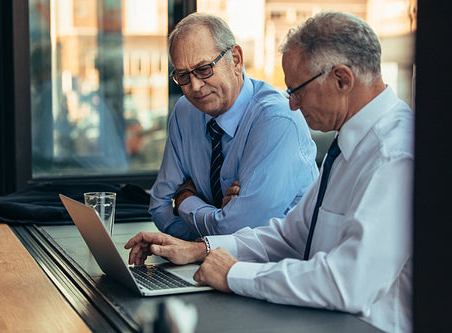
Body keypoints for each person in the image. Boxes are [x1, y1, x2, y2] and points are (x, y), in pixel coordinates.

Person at [126, 11, 413, 333]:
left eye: (297, 90)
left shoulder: (396, 156)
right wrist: (201, 249)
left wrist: (234, 274)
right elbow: (290, 236)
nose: (291, 105)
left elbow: (348, 282)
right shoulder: (350, 146)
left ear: (342, 79)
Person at [150, 13, 318, 240]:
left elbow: (241, 231)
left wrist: (185, 200)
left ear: (236, 60)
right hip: (207, 263)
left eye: (204, 69)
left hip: (276, 266)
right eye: (183, 75)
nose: (196, 86)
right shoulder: (185, 111)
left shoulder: (277, 119)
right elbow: (159, 207)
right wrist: (203, 239)